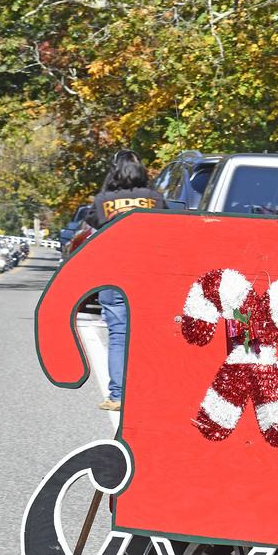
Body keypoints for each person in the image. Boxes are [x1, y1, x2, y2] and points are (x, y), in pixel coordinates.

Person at [90, 149, 165, 411]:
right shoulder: (155, 198)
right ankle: (153, 392)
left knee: (119, 335)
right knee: (153, 335)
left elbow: (95, 224)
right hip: (152, 276)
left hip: (115, 275)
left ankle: (118, 395)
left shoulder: (103, 199)